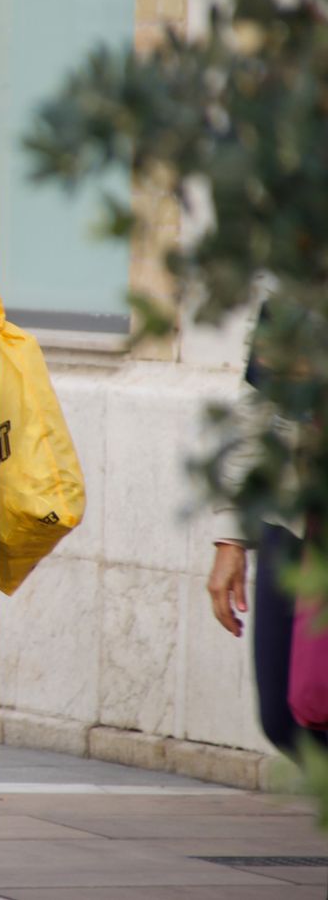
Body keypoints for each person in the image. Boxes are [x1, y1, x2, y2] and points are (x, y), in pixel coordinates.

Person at [206, 311, 328, 761]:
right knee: (285, 716)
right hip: (295, 518)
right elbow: (256, 406)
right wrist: (231, 537)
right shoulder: (297, 280)